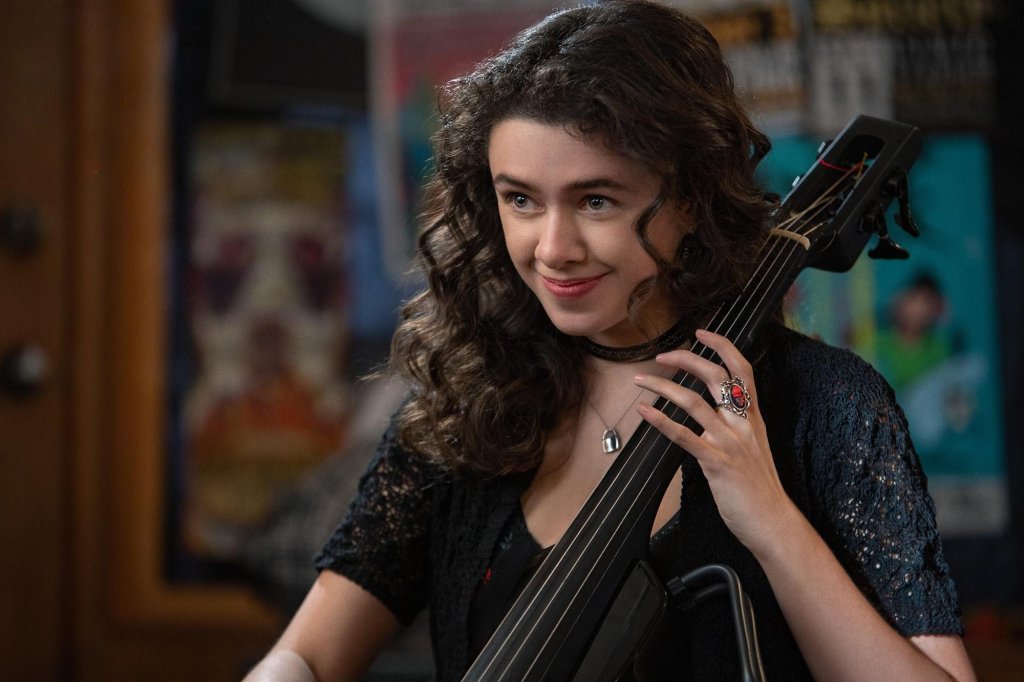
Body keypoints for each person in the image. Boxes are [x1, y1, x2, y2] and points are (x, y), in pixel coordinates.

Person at [245, 1, 975, 680]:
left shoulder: (828, 406)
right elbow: (306, 654)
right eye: (521, 199)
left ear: (690, 197)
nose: (553, 248)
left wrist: (772, 523)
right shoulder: (470, 395)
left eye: (596, 200)